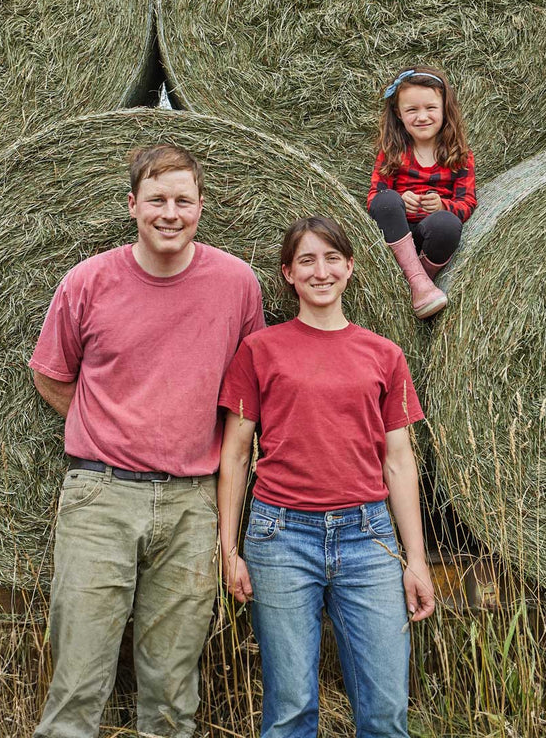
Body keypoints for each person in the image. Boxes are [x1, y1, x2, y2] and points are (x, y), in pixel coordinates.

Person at [30, 144, 264, 738]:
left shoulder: (237, 283)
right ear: (132, 205)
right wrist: (108, 426)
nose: (170, 212)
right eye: (157, 199)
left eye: (183, 200)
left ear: (201, 208)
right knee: (78, 682)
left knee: (171, 693)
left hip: (191, 502)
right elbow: (51, 373)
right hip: (100, 497)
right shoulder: (89, 280)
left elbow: (247, 387)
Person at [218, 215, 435, 738]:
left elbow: (399, 461)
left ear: (351, 267)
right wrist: (228, 549)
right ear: (288, 274)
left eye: (332, 258)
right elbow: (235, 454)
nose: (321, 271)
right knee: (291, 709)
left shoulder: (384, 354)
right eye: (307, 261)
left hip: (368, 540)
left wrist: (416, 561)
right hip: (280, 537)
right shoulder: (259, 350)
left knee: (385, 711)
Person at [366, 67, 476, 319]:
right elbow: (373, 199)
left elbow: (467, 202)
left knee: (447, 223)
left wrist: (442, 206)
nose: (422, 117)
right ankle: (419, 284)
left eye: (430, 108)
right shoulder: (393, 151)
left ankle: (418, 283)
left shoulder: (459, 155)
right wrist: (401, 202)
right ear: (399, 114)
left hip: (431, 240)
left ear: (445, 108)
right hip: (396, 235)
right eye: (412, 110)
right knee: (387, 200)